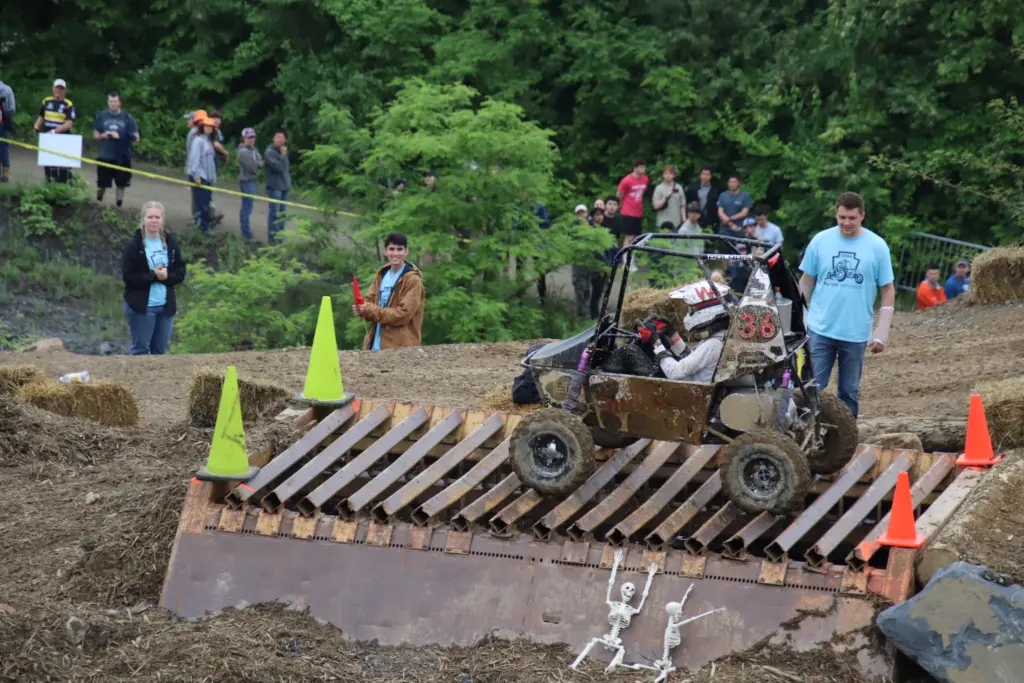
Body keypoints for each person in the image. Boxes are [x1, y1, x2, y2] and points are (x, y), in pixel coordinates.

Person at [799, 192, 895, 418]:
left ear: (862, 215)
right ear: (836, 214)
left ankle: (846, 438)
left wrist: (881, 332)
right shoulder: (821, 241)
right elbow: (806, 280)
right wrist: (798, 318)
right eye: (842, 217)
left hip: (855, 332)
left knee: (849, 391)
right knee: (812, 388)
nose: (846, 223)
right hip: (820, 328)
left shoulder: (877, 246)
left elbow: (887, 289)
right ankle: (804, 433)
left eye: (852, 218)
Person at [121, 201, 187, 355]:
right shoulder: (134, 246)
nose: (153, 221)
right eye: (150, 217)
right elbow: (129, 278)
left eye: (157, 217)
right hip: (142, 307)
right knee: (141, 349)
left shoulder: (171, 244)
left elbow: (180, 272)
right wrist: (154, 276)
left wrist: (166, 276)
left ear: (162, 220)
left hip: (165, 307)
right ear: (143, 219)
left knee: (161, 351)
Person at [353, 232, 425, 351]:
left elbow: (403, 314)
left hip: (401, 348)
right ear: (385, 251)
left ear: (406, 252)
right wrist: (361, 309)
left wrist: (370, 309)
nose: (395, 253)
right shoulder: (381, 275)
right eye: (391, 249)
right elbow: (368, 301)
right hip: (374, 346)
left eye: (399, 249)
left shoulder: (413, 280)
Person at [650, 281, 734, 382]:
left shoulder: (712, 345)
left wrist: (656, 343)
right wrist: (673, 335)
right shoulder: (721, 337)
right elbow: (692, 359)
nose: (689, 313)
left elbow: (674, 372)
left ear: (705, 311)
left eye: (692, 309)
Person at [93, 91, 140, 208]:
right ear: (107, 102)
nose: (112, 104)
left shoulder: (127, 117)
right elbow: (95, 135)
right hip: (105, 155)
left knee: (121, 183)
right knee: (102, 184)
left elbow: (136, 137)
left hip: (122, 156)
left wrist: (121, 136)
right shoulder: (102, 116)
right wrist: (104, 135)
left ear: (120, 102)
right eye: (110, 101)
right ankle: (98, 203)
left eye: (115, 102)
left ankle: (119, 206)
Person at [33, 79, 76, 183]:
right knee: (48, 165)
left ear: (64, 90)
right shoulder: (46, 101)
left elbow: (69, 123)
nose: (59, 90)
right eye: (57, 87)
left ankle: (64, 186)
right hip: (47, 138)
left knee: (62, 166)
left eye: (61, 88)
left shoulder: (68, 104)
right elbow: (42, 115)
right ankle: (49, 186)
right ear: (53, 88)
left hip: (63, 138)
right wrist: (37, 125)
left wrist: (54, 132)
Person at [186, 116, 218, 233]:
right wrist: (197, 175)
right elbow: (194, 159)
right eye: (206, 126)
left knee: (206, 204)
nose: (208, 129)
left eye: (211, 127)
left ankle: (204, 226)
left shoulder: (208, 142)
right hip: (200, 177)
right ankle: (202, 228)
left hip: (208, 178)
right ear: (202, 127)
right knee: (201, 204)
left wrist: (213, 178)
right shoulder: (198, 141)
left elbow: (211, 163)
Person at [616, 158, 649, 259]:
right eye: (641, 167)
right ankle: (625, 259)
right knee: (629, 236)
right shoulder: (627, 180)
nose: (643, 169)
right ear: (635, 168)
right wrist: (620, 205)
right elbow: (619, 194)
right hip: (627, 211)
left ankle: (632, 258)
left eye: (644, 167)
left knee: (636, 237)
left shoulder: (645, 179)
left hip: (638, 212)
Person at [265, 131, 291, 244]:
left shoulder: (282, 152)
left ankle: (280, 237)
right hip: (275, 187)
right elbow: (279, 167)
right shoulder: (269, 152)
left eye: (282, 139)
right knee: (274, 214)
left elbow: (286, 169)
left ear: (285, 141)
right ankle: (272, 238)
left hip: (285, 186)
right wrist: (283, 155)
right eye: (278, 138)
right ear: (273, 139)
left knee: (282, 214)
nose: (280, 140)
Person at [236, 127, 263, 241]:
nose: (251, 140)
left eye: (253, 137)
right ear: (244, 138)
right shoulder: (242, 152)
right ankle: (246, 233)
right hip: (246, 181)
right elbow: (252, 167)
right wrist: (257, 163)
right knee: (247, 207)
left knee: (248, 207)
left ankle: (245, 230)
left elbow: (260, 162)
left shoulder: (254, 150)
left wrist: (257, 163)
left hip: (253, 180)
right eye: (249, 137)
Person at [716, 174, 753, 247]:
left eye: (734, 182)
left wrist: (730, 219)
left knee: (740, 255)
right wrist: (730, 223)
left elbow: (744, 213)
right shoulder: (723, 195)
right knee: (723, 255)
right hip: (725, 231)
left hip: (740, 231)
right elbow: (720, 212)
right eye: (730, 182)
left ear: (739, 183)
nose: (732, 184)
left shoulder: (745, 196)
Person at [652, 165, 685, 231]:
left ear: (674, 175)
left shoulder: (679, 187)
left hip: (676, 223)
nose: (668, 175)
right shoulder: (659, 188)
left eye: (670, 173)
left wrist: (684, 220)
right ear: (663, 175)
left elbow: (683, 205)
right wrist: (665, 198)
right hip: (662, 223)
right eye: (666, 173)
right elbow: (655, 206)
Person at [0, 75, 16, 183]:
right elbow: (11, 108)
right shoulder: (7, 89)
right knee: (3, 147)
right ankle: (5, 173)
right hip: (3, 122)